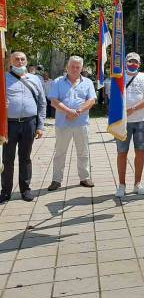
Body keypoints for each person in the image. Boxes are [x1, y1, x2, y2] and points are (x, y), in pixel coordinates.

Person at [1, 52, 47, 203]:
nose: (20, 62)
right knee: (7, 159)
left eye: (22, 59)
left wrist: (40, 125)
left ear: (27, 61)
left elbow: (42, 103)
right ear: (10, 61)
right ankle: (6, 192)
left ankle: (25, 190)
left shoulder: (35, 79)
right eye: (16, 59)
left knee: (25, 158)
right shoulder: (3, 79)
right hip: (9, 125)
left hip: (29, 123)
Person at [48, 56, 97, 191]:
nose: (75, 69)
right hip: (63, 123)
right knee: (60, 153)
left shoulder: (87, 82)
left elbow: (91, 100)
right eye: (72, 66)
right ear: (67, 67)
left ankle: (84, 178)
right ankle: (56, 180)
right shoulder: (58, 81)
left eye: (78, 67)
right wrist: (68, 111)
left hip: (81, 123)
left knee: (83, 152)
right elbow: (53, 101)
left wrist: (78, 111)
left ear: (82, 68)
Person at [115, 53, 144, 198]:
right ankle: (121, 185)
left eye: (136, 62)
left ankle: (137, 184)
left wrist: (133, 108)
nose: (133, 64)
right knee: (122, 153)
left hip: (141, 120)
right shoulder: (118, 77)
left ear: (140, 64)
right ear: (125, 62)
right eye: (130, 61)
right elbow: (112, 97)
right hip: (122, 121)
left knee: (140, 152)